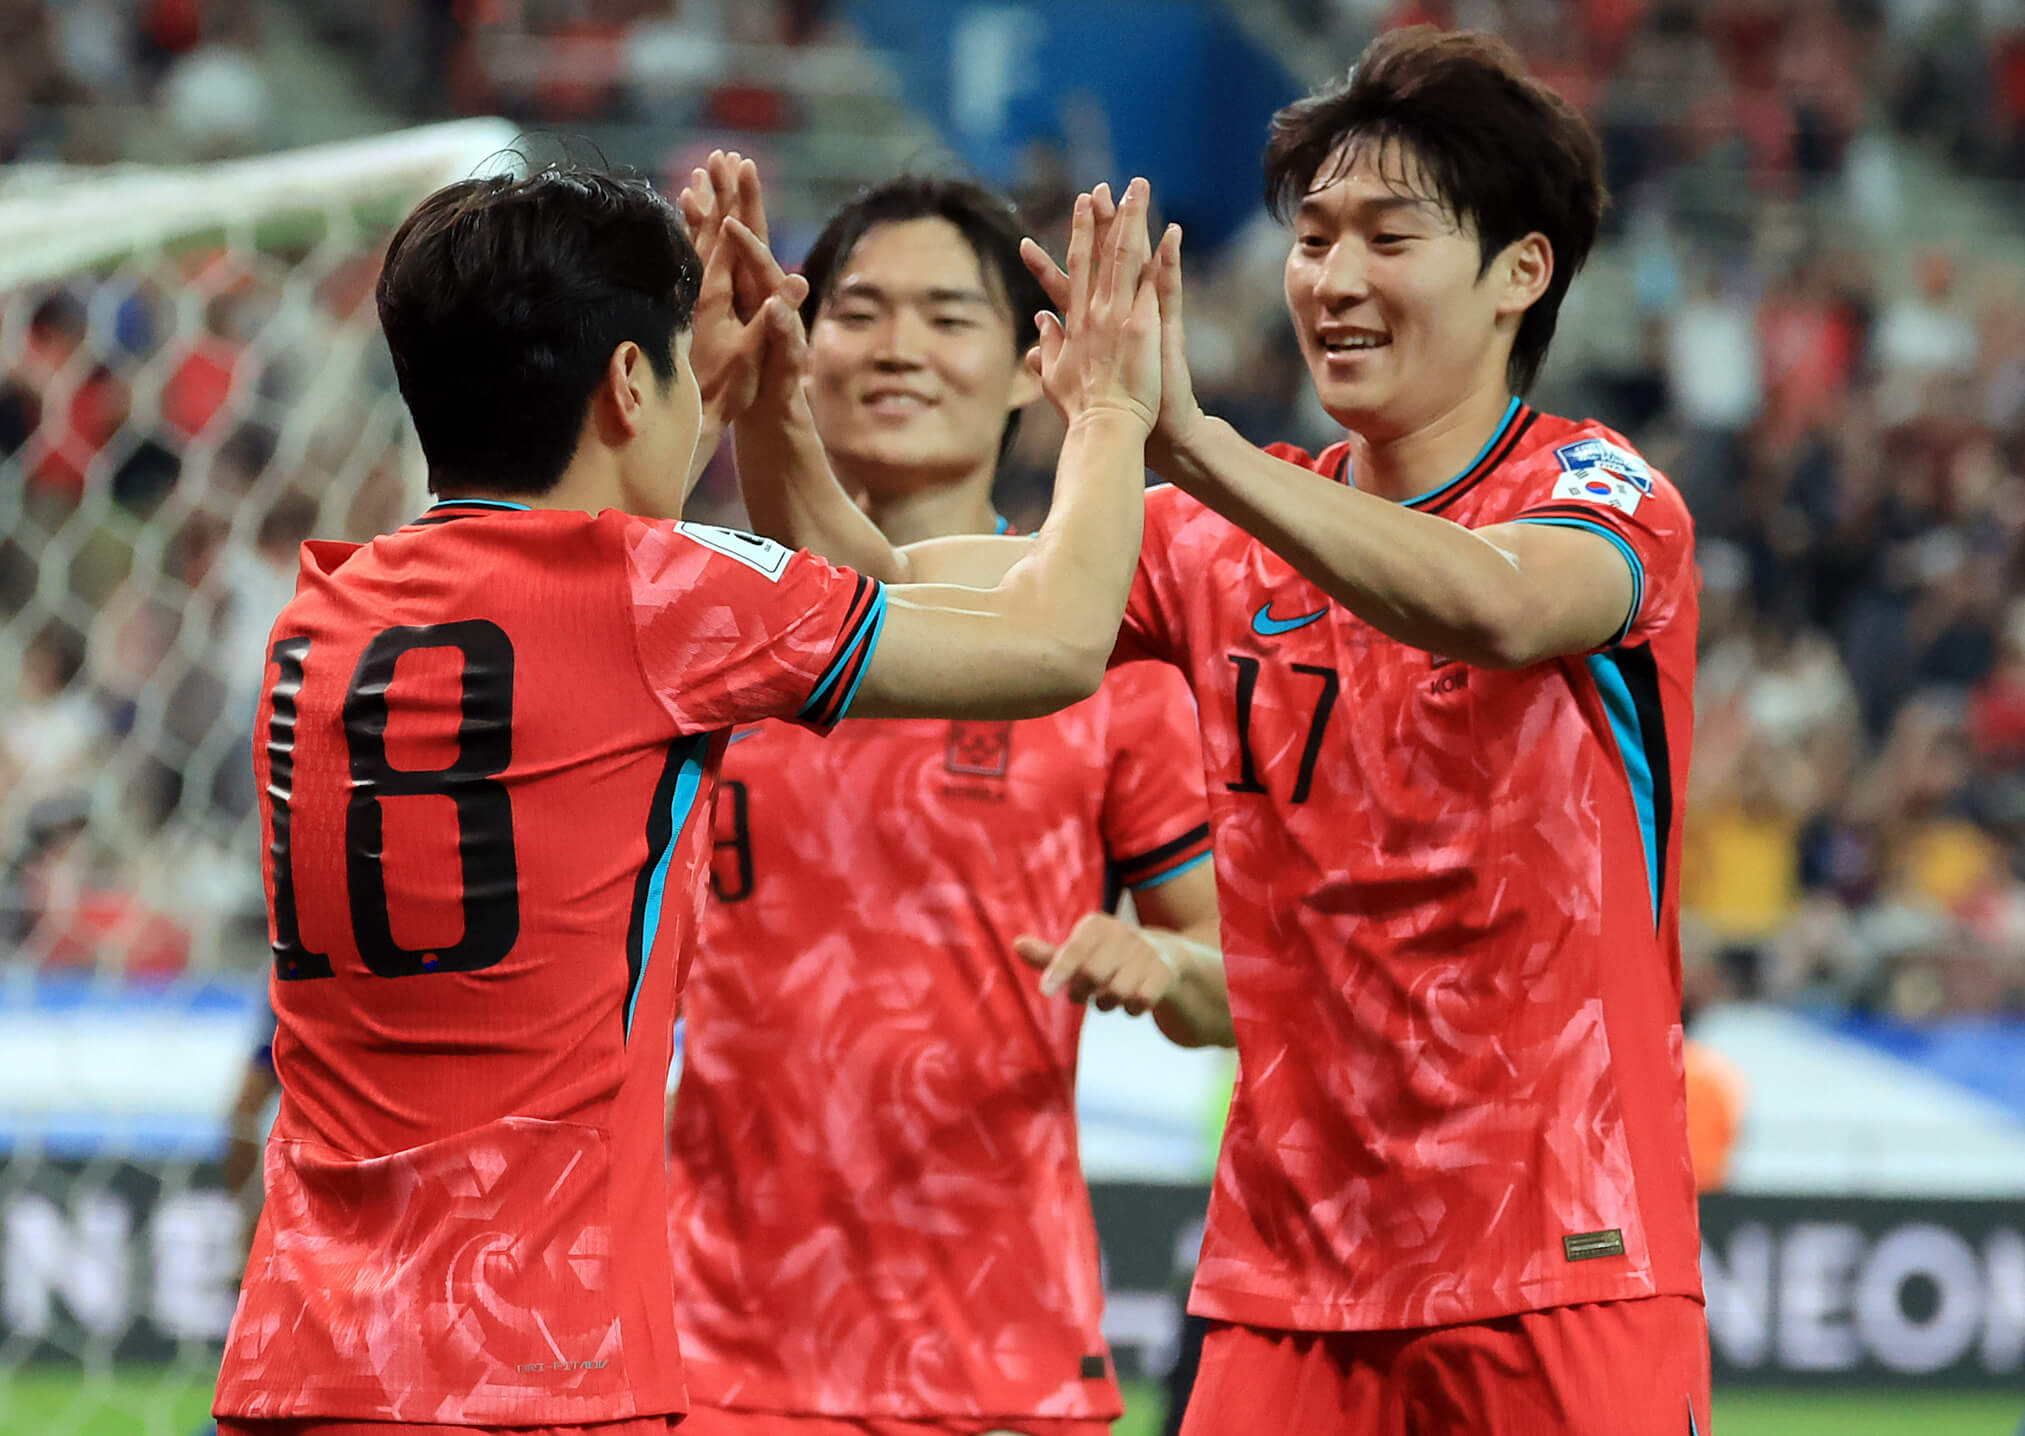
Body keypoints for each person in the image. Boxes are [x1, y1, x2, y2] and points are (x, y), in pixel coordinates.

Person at [728, 28, 1708, 1435]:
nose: (1334, 278)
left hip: (1566, 1253)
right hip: (1285, 1290)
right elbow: (876, 587)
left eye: (1388, 234)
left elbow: (1494, 607)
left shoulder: (1604, 495)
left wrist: (1187, 447)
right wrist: (772, 404)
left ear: (1520, 272)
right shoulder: (1202, 544)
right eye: (1311, 237)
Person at [210, 162, 1167, 1436]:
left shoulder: (322, 610)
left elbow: (576, 533)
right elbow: (1052, 643)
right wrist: (1109, 408)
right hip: (540, 1365)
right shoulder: (662, 601)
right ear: (624, 387)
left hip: (305, 1356)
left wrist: (684, 381)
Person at [663, 163, 1232, 1436]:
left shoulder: (1112, 666)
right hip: (702, 1363)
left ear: (1035, 364)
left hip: (1000, 1368)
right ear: (799, 335)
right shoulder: (694, 631)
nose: (898, 347)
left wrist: (1163, 960)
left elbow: (1245, 984)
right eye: (858, 309)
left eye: (946, 313)